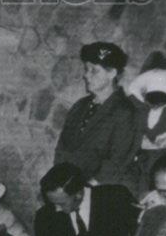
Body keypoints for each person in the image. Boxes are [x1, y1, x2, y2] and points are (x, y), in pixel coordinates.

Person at [53, 41, 137, 189]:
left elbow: (117, 161)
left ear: (112, 73)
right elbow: (62, 149)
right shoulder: (80, 107)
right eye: (86, 69)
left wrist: (85, 189)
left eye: (94, 70)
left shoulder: (125, 112)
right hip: (70, 189)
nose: (86, 75)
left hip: (100, 192)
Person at [125, 68, 166, 197]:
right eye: (152, 102)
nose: (155, 106)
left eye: (161, 103)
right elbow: (128, 135)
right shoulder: (138, 112)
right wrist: (139, 141)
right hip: (140, 167)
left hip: (164, 168)